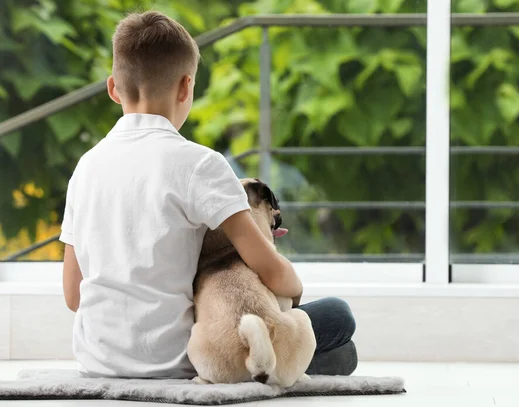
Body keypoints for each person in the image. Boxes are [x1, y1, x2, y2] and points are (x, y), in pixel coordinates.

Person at [60, 11, 356, 379]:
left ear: (113, 88)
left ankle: (295, 367)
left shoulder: (85, 169)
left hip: (97, 361)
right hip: (188, 359)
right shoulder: (200, 164)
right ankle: (288, 368)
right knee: (338, 318)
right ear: (186, 87)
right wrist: (295, 290)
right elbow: (272, 272)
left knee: (340, 355)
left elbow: (73, 296)